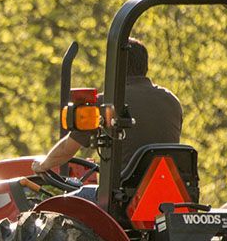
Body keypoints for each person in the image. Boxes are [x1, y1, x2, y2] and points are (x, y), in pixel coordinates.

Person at [32, 38, 182, 174]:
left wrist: (43, 165)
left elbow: (66, 150)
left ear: (115, 67)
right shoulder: (172, 101)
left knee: (76, 196)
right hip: (171, 191)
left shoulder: (107, 102)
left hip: (124, 195)